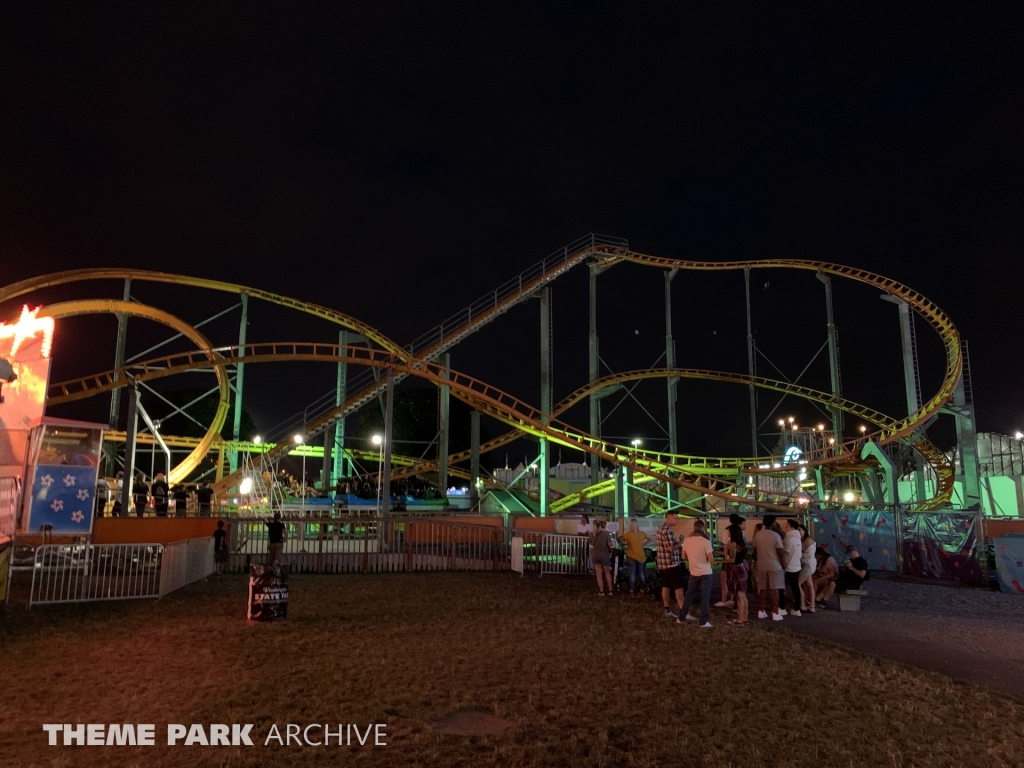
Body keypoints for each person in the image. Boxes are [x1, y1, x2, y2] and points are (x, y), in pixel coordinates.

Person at [678, 519, 715, 628]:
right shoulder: (706, 542)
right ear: (703, 528)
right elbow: (711, 559)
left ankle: (681, 618)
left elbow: (683, 557)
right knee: (705, 597)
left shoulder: (688, 540)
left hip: (693, 572)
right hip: (706, 573)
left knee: (689, 596)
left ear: (694, 528)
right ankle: (703, 621)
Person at [753, 514, 787, 620]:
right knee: (774, 588)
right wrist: (784, 565)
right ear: (773, 523)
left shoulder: (758, 535)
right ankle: (775, 612)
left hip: (761, 564)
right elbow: (780, 552)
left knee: (762, 588)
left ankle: (761, 610)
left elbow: (755, 552)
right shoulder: (775, 535)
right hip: (774, 564)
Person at [655, 512, 686, 619]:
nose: (677, 520)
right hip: (671, 564)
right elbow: (670, 548)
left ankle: (667, 609)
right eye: (675, 518)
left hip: (663, 564)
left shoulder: (660, 529)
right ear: (668, 518)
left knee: (665, 587)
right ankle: (683, 612)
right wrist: (681, 542)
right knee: (679, 589)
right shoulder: (667, 530)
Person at [715, 513, 744, 608]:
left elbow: (728, 554)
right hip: (740, 563)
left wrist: (719, 559)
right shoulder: (741, 533)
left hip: (731, 563)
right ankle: (732, 601)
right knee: (737, 584)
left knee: (725, 580)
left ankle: (725, 601)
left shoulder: (729, 534)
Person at [724, 521, 749, 625]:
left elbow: (732, 560)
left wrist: (717, 561)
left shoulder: (733, 544)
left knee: (739, 595)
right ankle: (745, 617)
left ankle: (740, 620)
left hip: (736, 569)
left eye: (728, 531)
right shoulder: (741, 543)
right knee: (743, 594)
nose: (727, 533)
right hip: (742, 568)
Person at [619, 518, 652, 594]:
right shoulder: (642, 534)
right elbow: (651, 538)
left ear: (631, 525)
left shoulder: (628, 534)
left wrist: (625, 543)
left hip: (631, 556)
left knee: (632, 574)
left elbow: (620, 539)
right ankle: (642, 589)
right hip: (641, 556)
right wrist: (644, 544)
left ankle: (631, 590)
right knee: (641, 573)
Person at [782, 519, 803, 616]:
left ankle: (782, 608)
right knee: (796, 588)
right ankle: (797, 608)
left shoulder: (789, 539)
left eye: (786, 525)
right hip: (797, 566)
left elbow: (784, 554)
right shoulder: (798, 539)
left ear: (790, 526)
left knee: (781, 587)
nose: (785, 527)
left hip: (788, 567)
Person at [589, 519, 614, 596]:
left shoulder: (591, 534)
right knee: (607, 573)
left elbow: (591, 544)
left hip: (595, 555)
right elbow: (610, 544)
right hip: (604, 555)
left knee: (599, 574)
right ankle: (610, 590)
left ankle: (601, 591)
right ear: (600, 526)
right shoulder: (606, 534)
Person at [799, 524, 817, 612]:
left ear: (804, 530)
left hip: (808, 564)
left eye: (800, 530)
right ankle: (812, 606)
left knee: (798, 583)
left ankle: (802, 605)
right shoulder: (801, 540)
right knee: (810, 585)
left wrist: (799, 555)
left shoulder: (808, 540)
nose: (798, 532)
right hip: (805, 564)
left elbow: (810, 554)